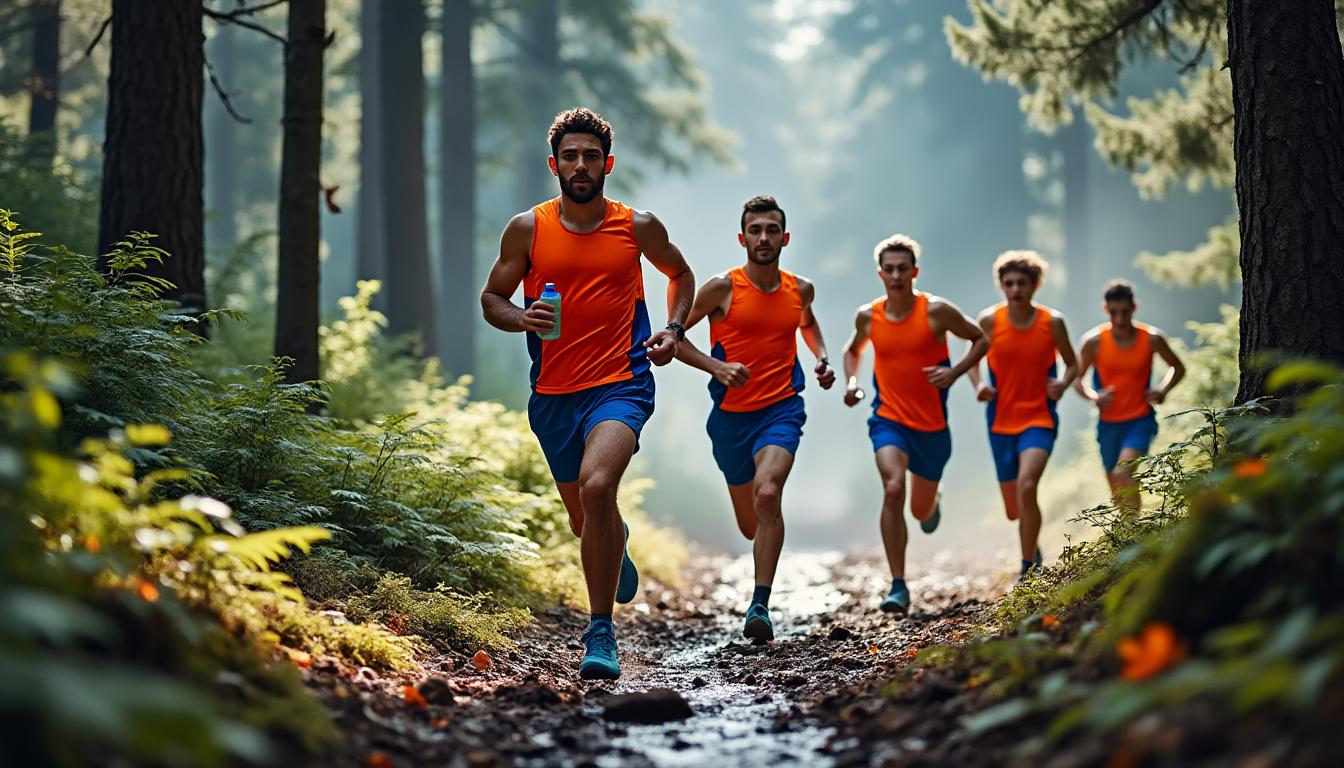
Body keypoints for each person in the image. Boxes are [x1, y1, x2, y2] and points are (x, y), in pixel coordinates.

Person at [479, 108, 694, 679]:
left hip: (621, 384)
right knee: (586, 519)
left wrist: (672, 331)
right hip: (552, 394)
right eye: (570, 156)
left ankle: (600, 633)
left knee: (599, 486)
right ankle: (613, 543)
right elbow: (491, 299)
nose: (581, 165)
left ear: (608, 164)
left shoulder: (636, 226)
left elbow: (681, 275)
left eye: (591, 156)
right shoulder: (527, 229)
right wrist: (522, 317)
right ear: (554, 165)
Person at [674, 195, 834, 641]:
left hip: (782, 409)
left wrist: (821, 358)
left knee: (768, 495)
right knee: (750, 522)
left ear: (785, 237)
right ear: (742, 238)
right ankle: (757, 552)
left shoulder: (799, 289)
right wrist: (717, 368)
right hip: (730, 419)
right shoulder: (721, 288)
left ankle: (759, 604)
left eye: (772, 230)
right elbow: (676, 337)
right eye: (756, 230)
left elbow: (807, 323)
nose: (764, 237)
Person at [841, 234, 988, 614]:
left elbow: (980, 339)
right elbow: (852, 350)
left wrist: (954, 374)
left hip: (932, 428)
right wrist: (853, 383)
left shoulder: (936, 311)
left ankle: (932, 501)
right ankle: (898, 585)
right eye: (888, 269)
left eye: (902, 269)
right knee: (893, 489)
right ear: (879, 274)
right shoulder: (868, 316)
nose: (895, 276)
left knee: (920, 511)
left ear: (914, 271)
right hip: (888, 419)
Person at [967, 250, 1077, 579]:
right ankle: (1032, 546)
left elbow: (1073, 363)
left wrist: (1062, 384)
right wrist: (978, 385)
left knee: (1028, 486)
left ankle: (1027, 567)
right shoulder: (989, 321)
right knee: (1014, 507)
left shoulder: (1052, 323)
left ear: (1035, 285)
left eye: (1022, 283)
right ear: (1001, 286)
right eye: (1009, 283)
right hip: (1000, 420)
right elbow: (972, 358)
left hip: (1040, 418)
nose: (1015, 290)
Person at [1074, 279, 1186, 509]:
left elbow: (1178, 367)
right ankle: (1128, 534)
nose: (1119, 319)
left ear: (1134, 308)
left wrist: (1163, 390)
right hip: (1108, 425)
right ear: (1105, 309)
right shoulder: (1093, 342)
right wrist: (1093, 396)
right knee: (1116, 488)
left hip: (1140, 420)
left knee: (1122, 472)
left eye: (1125, 312)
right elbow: (1075, 378)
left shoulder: (1152, 338)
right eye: (1114, 312)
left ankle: (1136, 533)